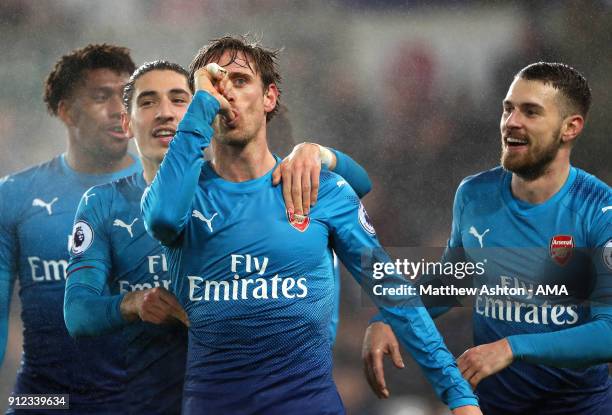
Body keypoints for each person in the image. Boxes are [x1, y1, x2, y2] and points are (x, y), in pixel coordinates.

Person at [142, 35, 481, 415]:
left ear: (269, 96)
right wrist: (202, 103)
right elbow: (163, 220)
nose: (227, 95)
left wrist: (459, 396)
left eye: (239, 81)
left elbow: (394, 293)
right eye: (215, 85)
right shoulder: (180, 197)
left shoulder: (321, 191)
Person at [63, 59, 373, 414]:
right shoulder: (104, 204)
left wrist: (320, 153)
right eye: (147, 102)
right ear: (126, 123)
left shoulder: (235, 197)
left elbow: (360, 187)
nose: (165, 113)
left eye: (180, 100)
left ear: (204, 110)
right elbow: (77, 313)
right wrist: (132, 304)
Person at [363, 62, 612, 414]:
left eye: (531, 112)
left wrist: (511, 347)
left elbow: (609, 332)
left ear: (570, 128)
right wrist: (390, 317)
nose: (511, 122)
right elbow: (452, 281)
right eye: (508, 108)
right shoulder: (474, 194)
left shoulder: (600, 210)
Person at [0, 44, 139, 413]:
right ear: (66, 111)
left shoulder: (168, 193)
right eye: (101, 97)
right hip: (45, 403)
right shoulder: (13, 197)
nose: (118, 110)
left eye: (127, 97)